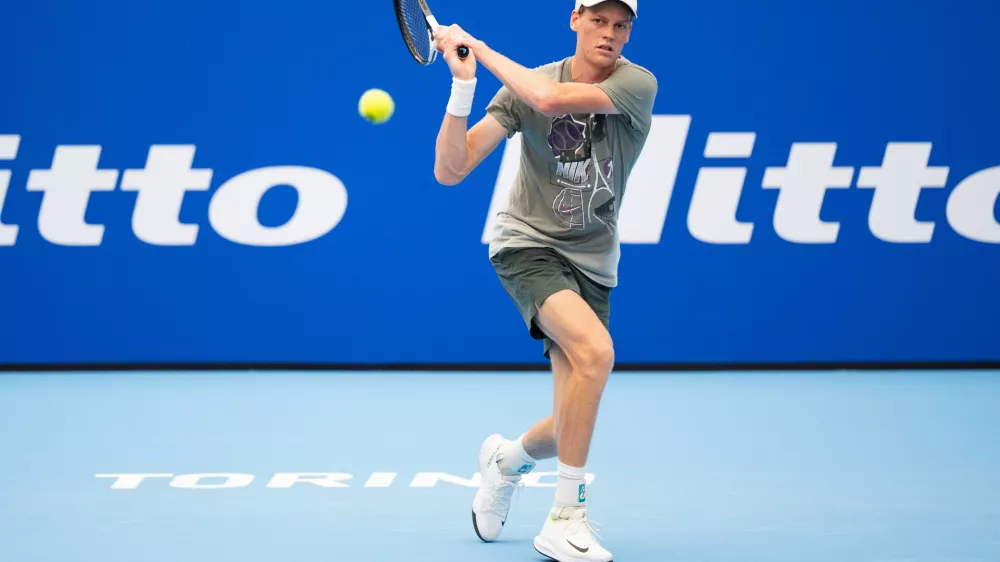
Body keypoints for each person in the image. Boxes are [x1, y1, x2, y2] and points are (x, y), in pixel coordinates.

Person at [432, 1, 656, 560]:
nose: (609, 33)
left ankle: (504, 461)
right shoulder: (525, 88)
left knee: (566, 423)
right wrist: (463, 89)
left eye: (620, 24)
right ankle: (565, 519)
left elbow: (548, 99)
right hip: (527, 246)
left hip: (594, 263)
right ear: (575, 19)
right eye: (598, 20)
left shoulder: (636, 83)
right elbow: (451, 170)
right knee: (596, 352)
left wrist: (479, 48)